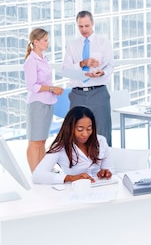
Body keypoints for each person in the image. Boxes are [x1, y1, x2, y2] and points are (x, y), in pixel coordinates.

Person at [62, 10, 114, 146]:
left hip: (98, 92)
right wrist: (82, 64)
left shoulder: (103, 43)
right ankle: (79, 165)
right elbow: (66, 71)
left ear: (92, 24)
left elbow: (110, 66)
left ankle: (104, 166)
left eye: (86, 26)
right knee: (75, 132)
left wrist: (101, 73)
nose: (84, 29)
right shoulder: (73, 45)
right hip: (77, 93)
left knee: (102, 132)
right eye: (80, 26)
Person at [32, 106, 114, 184]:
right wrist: (71, 178)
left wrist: (106, 172)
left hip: (100, 189)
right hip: (74, 191)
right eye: (80, 129)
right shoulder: (61, 148)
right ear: (70, 128)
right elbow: (37, 175)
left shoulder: (101, 141)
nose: (85, 134)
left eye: (89, 129)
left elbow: (110, 168)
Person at [24, 28, 64, 172]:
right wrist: (52, 88)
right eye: (45, 40)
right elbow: (31, 85)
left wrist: (52, 89)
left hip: (47, 102)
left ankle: (42, 171)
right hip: (37, 104)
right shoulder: (31, 60)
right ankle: (35, 173)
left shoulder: (43, 58)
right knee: (35, 141)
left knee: (42, 140)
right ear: (36, 42)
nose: (48, 43)